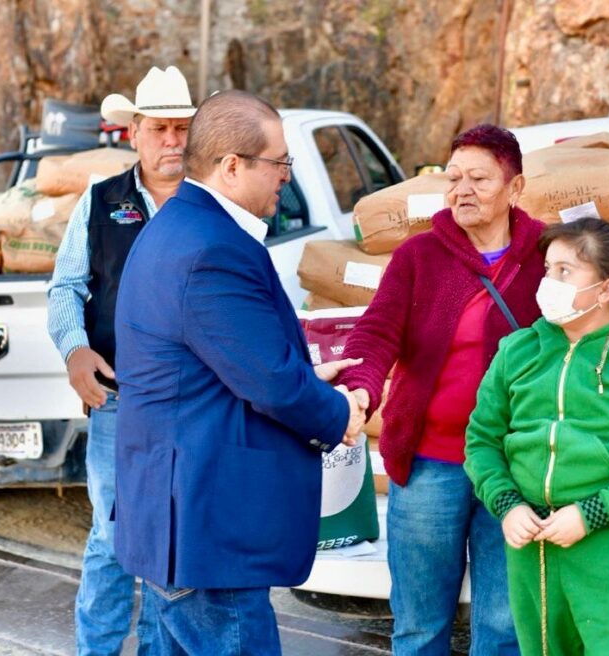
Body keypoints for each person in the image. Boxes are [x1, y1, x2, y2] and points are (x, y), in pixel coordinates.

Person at [112, 89, 365, 655]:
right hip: (207, 528)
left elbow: (220, 366)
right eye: (279, 163)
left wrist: (308, 376)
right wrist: (340, 413)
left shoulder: (182, 226)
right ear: (231, 166)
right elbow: (269, 382)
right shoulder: (211, 248)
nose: (286, 177)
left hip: (183, 519)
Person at [335, 124, 545, 655]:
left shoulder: (547, 254)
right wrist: (360, 387)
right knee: (418, 626)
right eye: (453, 178)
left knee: (504, 629)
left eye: (479, 178)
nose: (462, 190)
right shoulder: (419, 256)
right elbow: (378, 332)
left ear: (515, 188)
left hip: (515, 465)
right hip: (431, 463)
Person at [463, 218, 609, 656]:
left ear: (605, 290)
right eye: (548, 269)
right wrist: (507, 505)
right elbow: (482, 442)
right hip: (531, 554)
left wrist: (592, 513)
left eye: (565, 272)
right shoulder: (518, 350)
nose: (549, 282)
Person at [47, 64, 195, 655]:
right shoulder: (101, 199)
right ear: (134, 131)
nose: (172, 141)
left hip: (193, 400)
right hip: (116, 396)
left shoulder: (209, 206)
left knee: (173, 536)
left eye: (182, 129)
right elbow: (66, 287)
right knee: (113, 535)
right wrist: (73, 349)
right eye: (160, 128)